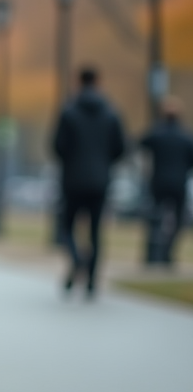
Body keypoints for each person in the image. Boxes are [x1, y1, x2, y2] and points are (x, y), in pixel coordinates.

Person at [51, 67, 125, 297]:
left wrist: (72, 161)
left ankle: (77, 259)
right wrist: (103, 164)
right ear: (98, 82)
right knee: (95, 232)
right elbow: (120, 148)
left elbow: (57, 146)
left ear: (78, 81)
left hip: (73, 180)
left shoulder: (69, 111)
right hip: (100, 180)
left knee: (66, 227)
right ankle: (92, 281)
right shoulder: (111, 113)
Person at [139, 95, 193, 265]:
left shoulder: (158, 134)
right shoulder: (186, 138)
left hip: (159, 182)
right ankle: (168, 251)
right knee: (178, 220)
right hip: (179, 182)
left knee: (154, 217)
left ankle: (152, 253)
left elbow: (141, 142)